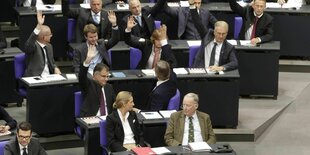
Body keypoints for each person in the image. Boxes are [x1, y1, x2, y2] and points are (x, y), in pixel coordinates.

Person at [189, 4, 238, 71]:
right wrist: (192, 5)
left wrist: (221, 68)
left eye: (223, 34)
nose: (221, 36)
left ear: (226, 33)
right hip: (201, 73)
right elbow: (198, 22)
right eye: (218, 33)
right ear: (214, 31)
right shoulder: (206, 35)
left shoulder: (228, 47)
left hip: (216, 75)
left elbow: (234, 63)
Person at [72, 11, 120, 75]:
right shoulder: (78, 50)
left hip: (102, 74)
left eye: (95, 36)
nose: (94, 39)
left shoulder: (102, 44)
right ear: (86, 37)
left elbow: (115, 40)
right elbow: (76, 68)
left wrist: (114, 24)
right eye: (91, 37)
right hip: (87, 75)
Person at [23, 11, 61, 77]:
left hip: (49, 77)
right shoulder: (33, 47)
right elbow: (28, 45)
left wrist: (55, 68)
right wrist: (38, 26)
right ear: (44, 37)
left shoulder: (49, 46)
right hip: (35, 77)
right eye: (50, 34)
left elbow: (52, 62)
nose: (51, 35)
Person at [79, 50, 115, 117]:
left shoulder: (109, 87)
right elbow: (82, 77)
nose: (106, 79)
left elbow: (115, 104)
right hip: (92, 118)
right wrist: (87, 62)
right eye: (103, 76)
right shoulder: (89, 85)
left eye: (107, 76)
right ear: (95, 76)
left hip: (108, 120)